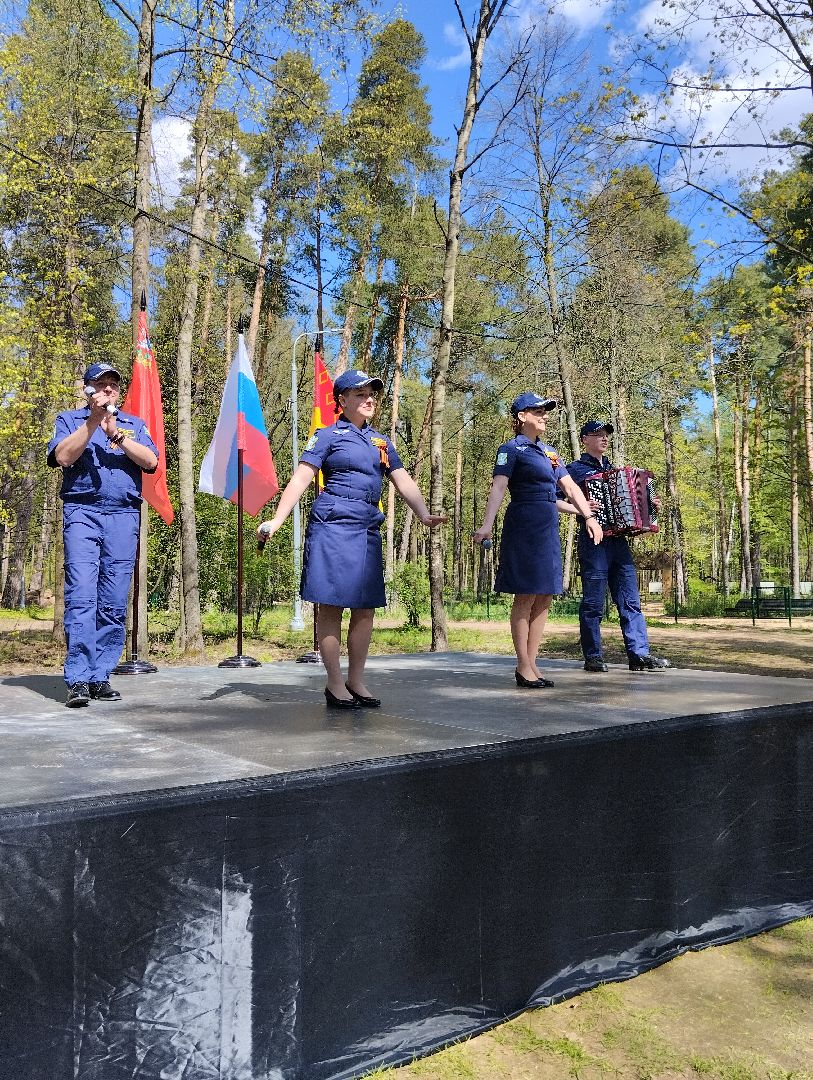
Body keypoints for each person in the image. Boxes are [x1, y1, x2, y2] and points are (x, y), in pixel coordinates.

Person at [257, 369, 445, 709]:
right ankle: (333, 682)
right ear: (341, 401)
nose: (369, 398)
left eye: (372, 393)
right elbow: (301, 478)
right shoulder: (326, 435)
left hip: (366, 528)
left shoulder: (382, 442)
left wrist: (422, 513)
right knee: (330, 604)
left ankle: (356, 679)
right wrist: (278, 519)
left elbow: (402, 480)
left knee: (365, 607)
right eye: (360, 394)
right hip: (332, 524)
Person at [48, 362, 159, 707]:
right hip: (83, 513)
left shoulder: (133, 425)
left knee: (112, 600)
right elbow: (63, 457)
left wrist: (116, 434)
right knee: (82, 594)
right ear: (88, 390)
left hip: (123, 516)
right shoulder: (70, 420)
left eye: (113, 384)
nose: (108, 389)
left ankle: (100, 676)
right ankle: (78, 678)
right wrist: (93, 422)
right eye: (101, 384)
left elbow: (151, 461)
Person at [472, 393, 602, 689]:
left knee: (545, 594)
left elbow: (570, 487)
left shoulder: (550, 452)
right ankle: (522, 665)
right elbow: (498, 488)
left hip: (547, 526)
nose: (544, 415)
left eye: (546, 411)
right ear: (521, 416)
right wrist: (486, 525)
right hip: (524, 524)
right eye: (537, 410)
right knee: (526, 594)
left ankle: (532, 663)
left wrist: (589, 517)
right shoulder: (510, 449)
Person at [566, 420, 670, 673]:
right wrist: (581, 508)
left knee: (631, 601)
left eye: (606, 435)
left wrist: (649, 504)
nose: (604, 439)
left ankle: (639, 655)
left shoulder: (615, 470)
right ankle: (593, 656)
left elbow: (633, 506)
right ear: (584, 440)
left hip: (618, 543)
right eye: (597, 435)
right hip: (594, 541)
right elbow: (554, 501)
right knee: (593, 603)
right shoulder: (574, 470)